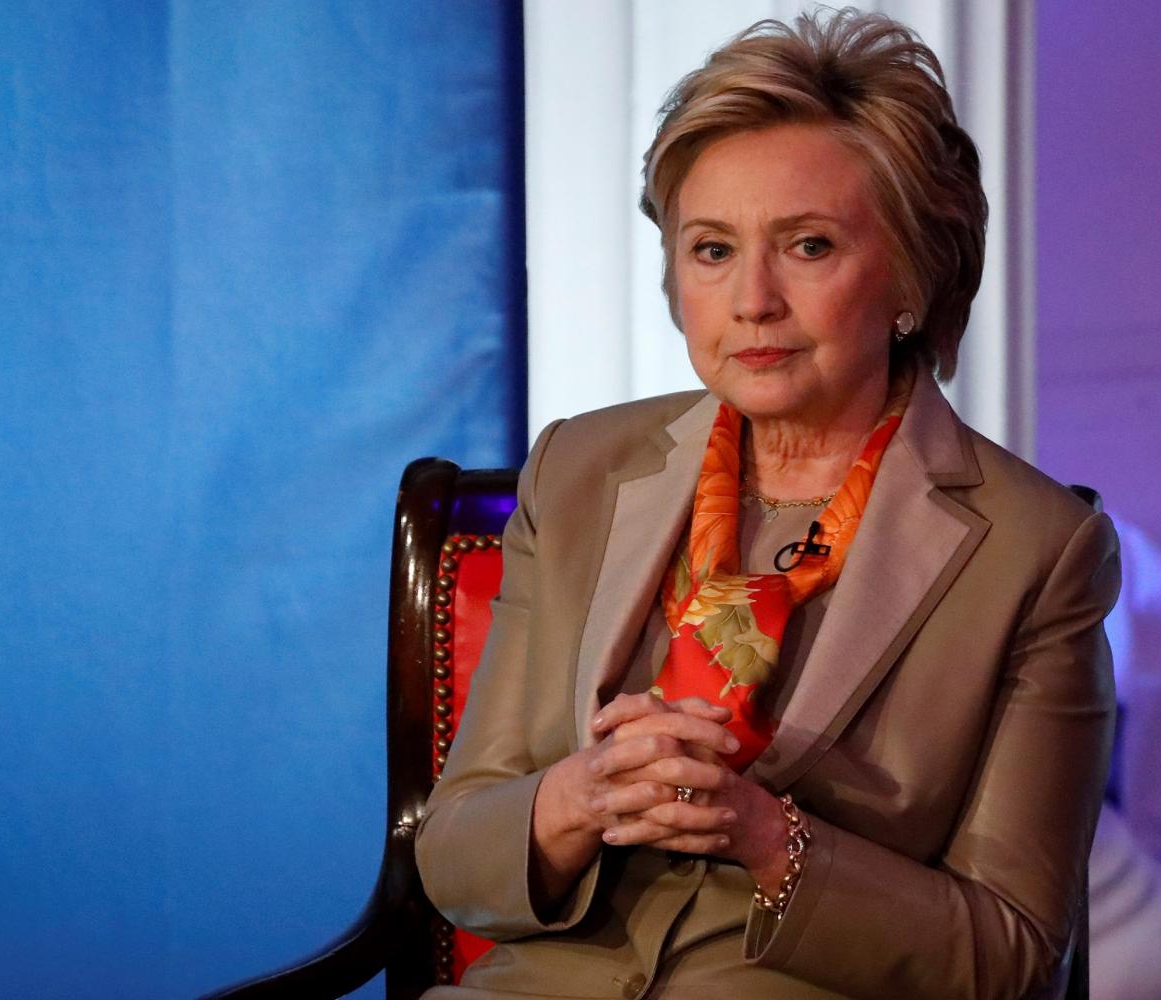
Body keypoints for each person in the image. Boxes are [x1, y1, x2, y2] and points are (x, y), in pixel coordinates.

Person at [415, 9, 1118, 998]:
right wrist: (577, 798)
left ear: (913, 279)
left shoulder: (1038, 550)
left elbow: (1008, 959)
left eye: (809, 246)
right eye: (711, 250)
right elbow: (450, 858)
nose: (751, 300)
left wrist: (766, 837)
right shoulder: (577, 469)